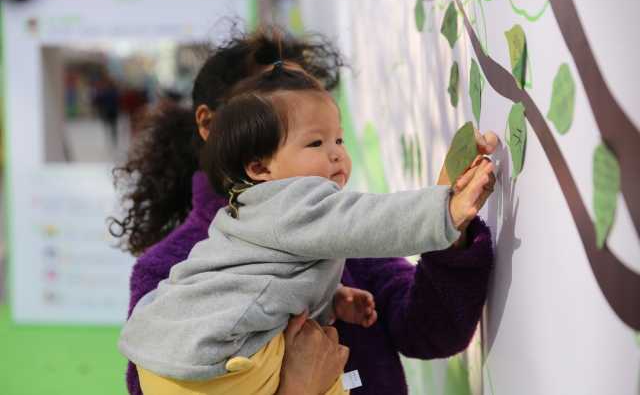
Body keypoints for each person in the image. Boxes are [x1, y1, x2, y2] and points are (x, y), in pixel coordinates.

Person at [110, 27, 496, 395]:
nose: (334, 152)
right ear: (213, 125)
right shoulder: (168, 269)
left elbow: (430, 329)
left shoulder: (338, 224)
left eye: (335, 136)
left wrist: (454, 227)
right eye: (310, 137)